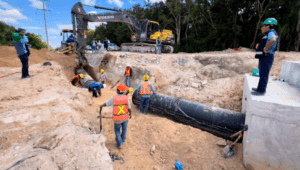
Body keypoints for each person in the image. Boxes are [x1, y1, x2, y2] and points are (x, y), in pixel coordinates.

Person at [99, 83, 132, 149]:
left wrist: (101, 106)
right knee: (124, 129)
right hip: (125, 117)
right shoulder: (126, 98)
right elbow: (129, 108)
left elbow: (106, 103)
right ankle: (122, 141)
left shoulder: (113, 98)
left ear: (118, 91)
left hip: (117, 119)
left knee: (117, 130)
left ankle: (119, 143)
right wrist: (130, 115)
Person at [252, 18, 278, 96]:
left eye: (263, 26)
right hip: (265, 56)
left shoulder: (271, 32)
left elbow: (272, 40)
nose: (262, 28)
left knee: (264, 74)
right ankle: (259, 88)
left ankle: (261, 91)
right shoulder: (269, 33)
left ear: (268, 26)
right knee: (262, 73)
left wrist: (266, 48)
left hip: (267, 56)